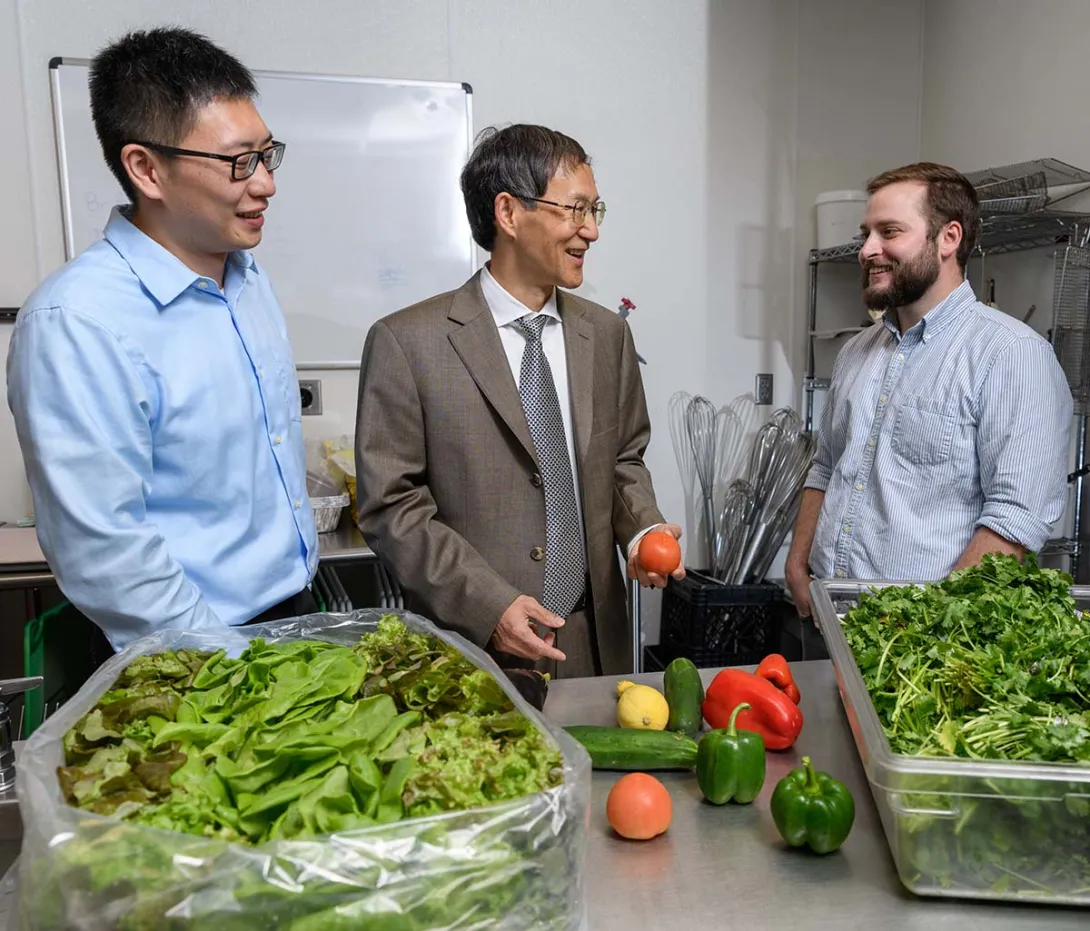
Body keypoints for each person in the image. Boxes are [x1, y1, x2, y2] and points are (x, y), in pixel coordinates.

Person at [6, 27, 319, 652]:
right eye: (238, 162)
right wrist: (230, 669)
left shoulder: (247, 280)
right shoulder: (77, 322)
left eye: (267, 153)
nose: (265, 184)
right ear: (146, 168)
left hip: (293, 613)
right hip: (187, 651)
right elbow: (108, 552)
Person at [355, 123, 683, 677]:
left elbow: (624, 459)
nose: (590, 232)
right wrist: (488, 605)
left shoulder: (606, 335)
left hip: (593, 640)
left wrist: (643, 527)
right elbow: (392, 507)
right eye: (575, 209)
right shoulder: (407, 342)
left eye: (595, 211)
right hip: (475, 645)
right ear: (508, 213)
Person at [786, 161, 1072, 617]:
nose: (867, 250)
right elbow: (826, 466)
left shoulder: (1012, 355)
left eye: (889, 231)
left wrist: (929, 627)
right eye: (866, 234)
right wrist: (799, 564)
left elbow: (1014, 520)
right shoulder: (856, 351)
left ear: (948, 238)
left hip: (916, 640)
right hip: (823, 608)